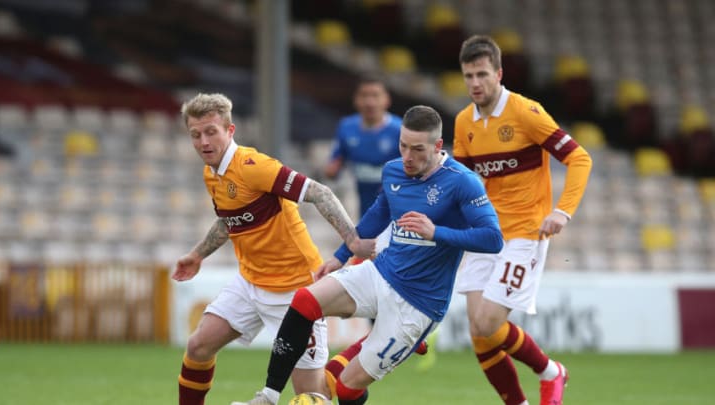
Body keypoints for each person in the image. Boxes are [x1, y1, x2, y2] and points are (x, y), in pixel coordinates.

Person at [233, 105, 504, 405]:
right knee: (304, 301)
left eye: (417, 149)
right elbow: (377, 216)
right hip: (380, 273)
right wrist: (340, 255)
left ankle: (411, 340)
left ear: (438, 146)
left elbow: (493, 239)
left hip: (418, 304)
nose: (407, 157)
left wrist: (436, 232)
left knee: (347, 390)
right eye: (403, 146)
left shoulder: (462, 182)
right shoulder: (393, 170)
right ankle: (269, 397)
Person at [173, 93, 375, 405]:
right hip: (250, 282)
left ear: (230, 130)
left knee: (312, 395)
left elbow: (320, 193)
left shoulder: (254, 167)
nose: (203, 141)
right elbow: (230, 220)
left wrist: (352, 241)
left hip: (294, 288)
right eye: (195, 135)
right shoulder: (211, 173)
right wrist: (198, 254)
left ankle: (357, 369)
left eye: (211, 131)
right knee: (199, 345)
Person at [452, 35, 592, 405]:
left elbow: (580, 159)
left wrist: (562, 210)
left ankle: (550, 371)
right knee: (480, 335)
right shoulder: (464, 122)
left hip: (525, 234)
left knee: (487, 323)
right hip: (485, 234)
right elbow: (463, 187)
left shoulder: (527, 113)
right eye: (468, 76)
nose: (475, 84)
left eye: (482, 74)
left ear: (499, 73)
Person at [323, 74, 402, 221]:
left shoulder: (400, 129)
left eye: (375, 95)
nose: (369, 102)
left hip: (395, 209)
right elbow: (335, 163)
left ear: (387, 99)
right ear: (356, 100)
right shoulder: (346, 127)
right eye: (364, 95)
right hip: (363, 207)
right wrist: (332, 169)